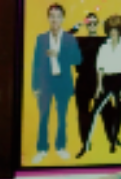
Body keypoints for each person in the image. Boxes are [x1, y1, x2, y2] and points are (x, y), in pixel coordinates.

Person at [30, 4, 81, 162]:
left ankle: (61, 147)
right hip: (45, 83)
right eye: (52, 16)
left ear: (63, 19)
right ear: (48, 18)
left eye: (58, 16)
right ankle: (42, 149)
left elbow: (77, 59)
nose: (55, 19)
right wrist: (35, 86)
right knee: (43, 117)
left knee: (62, 117)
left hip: (63, 82)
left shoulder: (70, 39)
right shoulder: (41, 38)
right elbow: (36, 63)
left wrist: (59, 54)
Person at [78, 15, 121, 156]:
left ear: (120, 30)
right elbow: (100, 68)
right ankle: (86, 145)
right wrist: (99, 86)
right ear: (108, 30)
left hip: (120, 80)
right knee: (95, 112)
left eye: (116, 29)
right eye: (111, 30)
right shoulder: (104, 47)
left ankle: (113, 141)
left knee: (118, 113)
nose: (113, 32)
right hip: (107, 80)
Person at [70, 12, 106, 158]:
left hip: (100, 81)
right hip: (83, 81)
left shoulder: (103, 40)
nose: (92, 26)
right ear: (86, 25)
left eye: (94, 23)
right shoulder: (79, 40)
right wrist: (74, 29)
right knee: (83, 114)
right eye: (89, 23)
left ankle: (112, 141)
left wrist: (106, 25)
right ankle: (85, 144)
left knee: (107, 112)